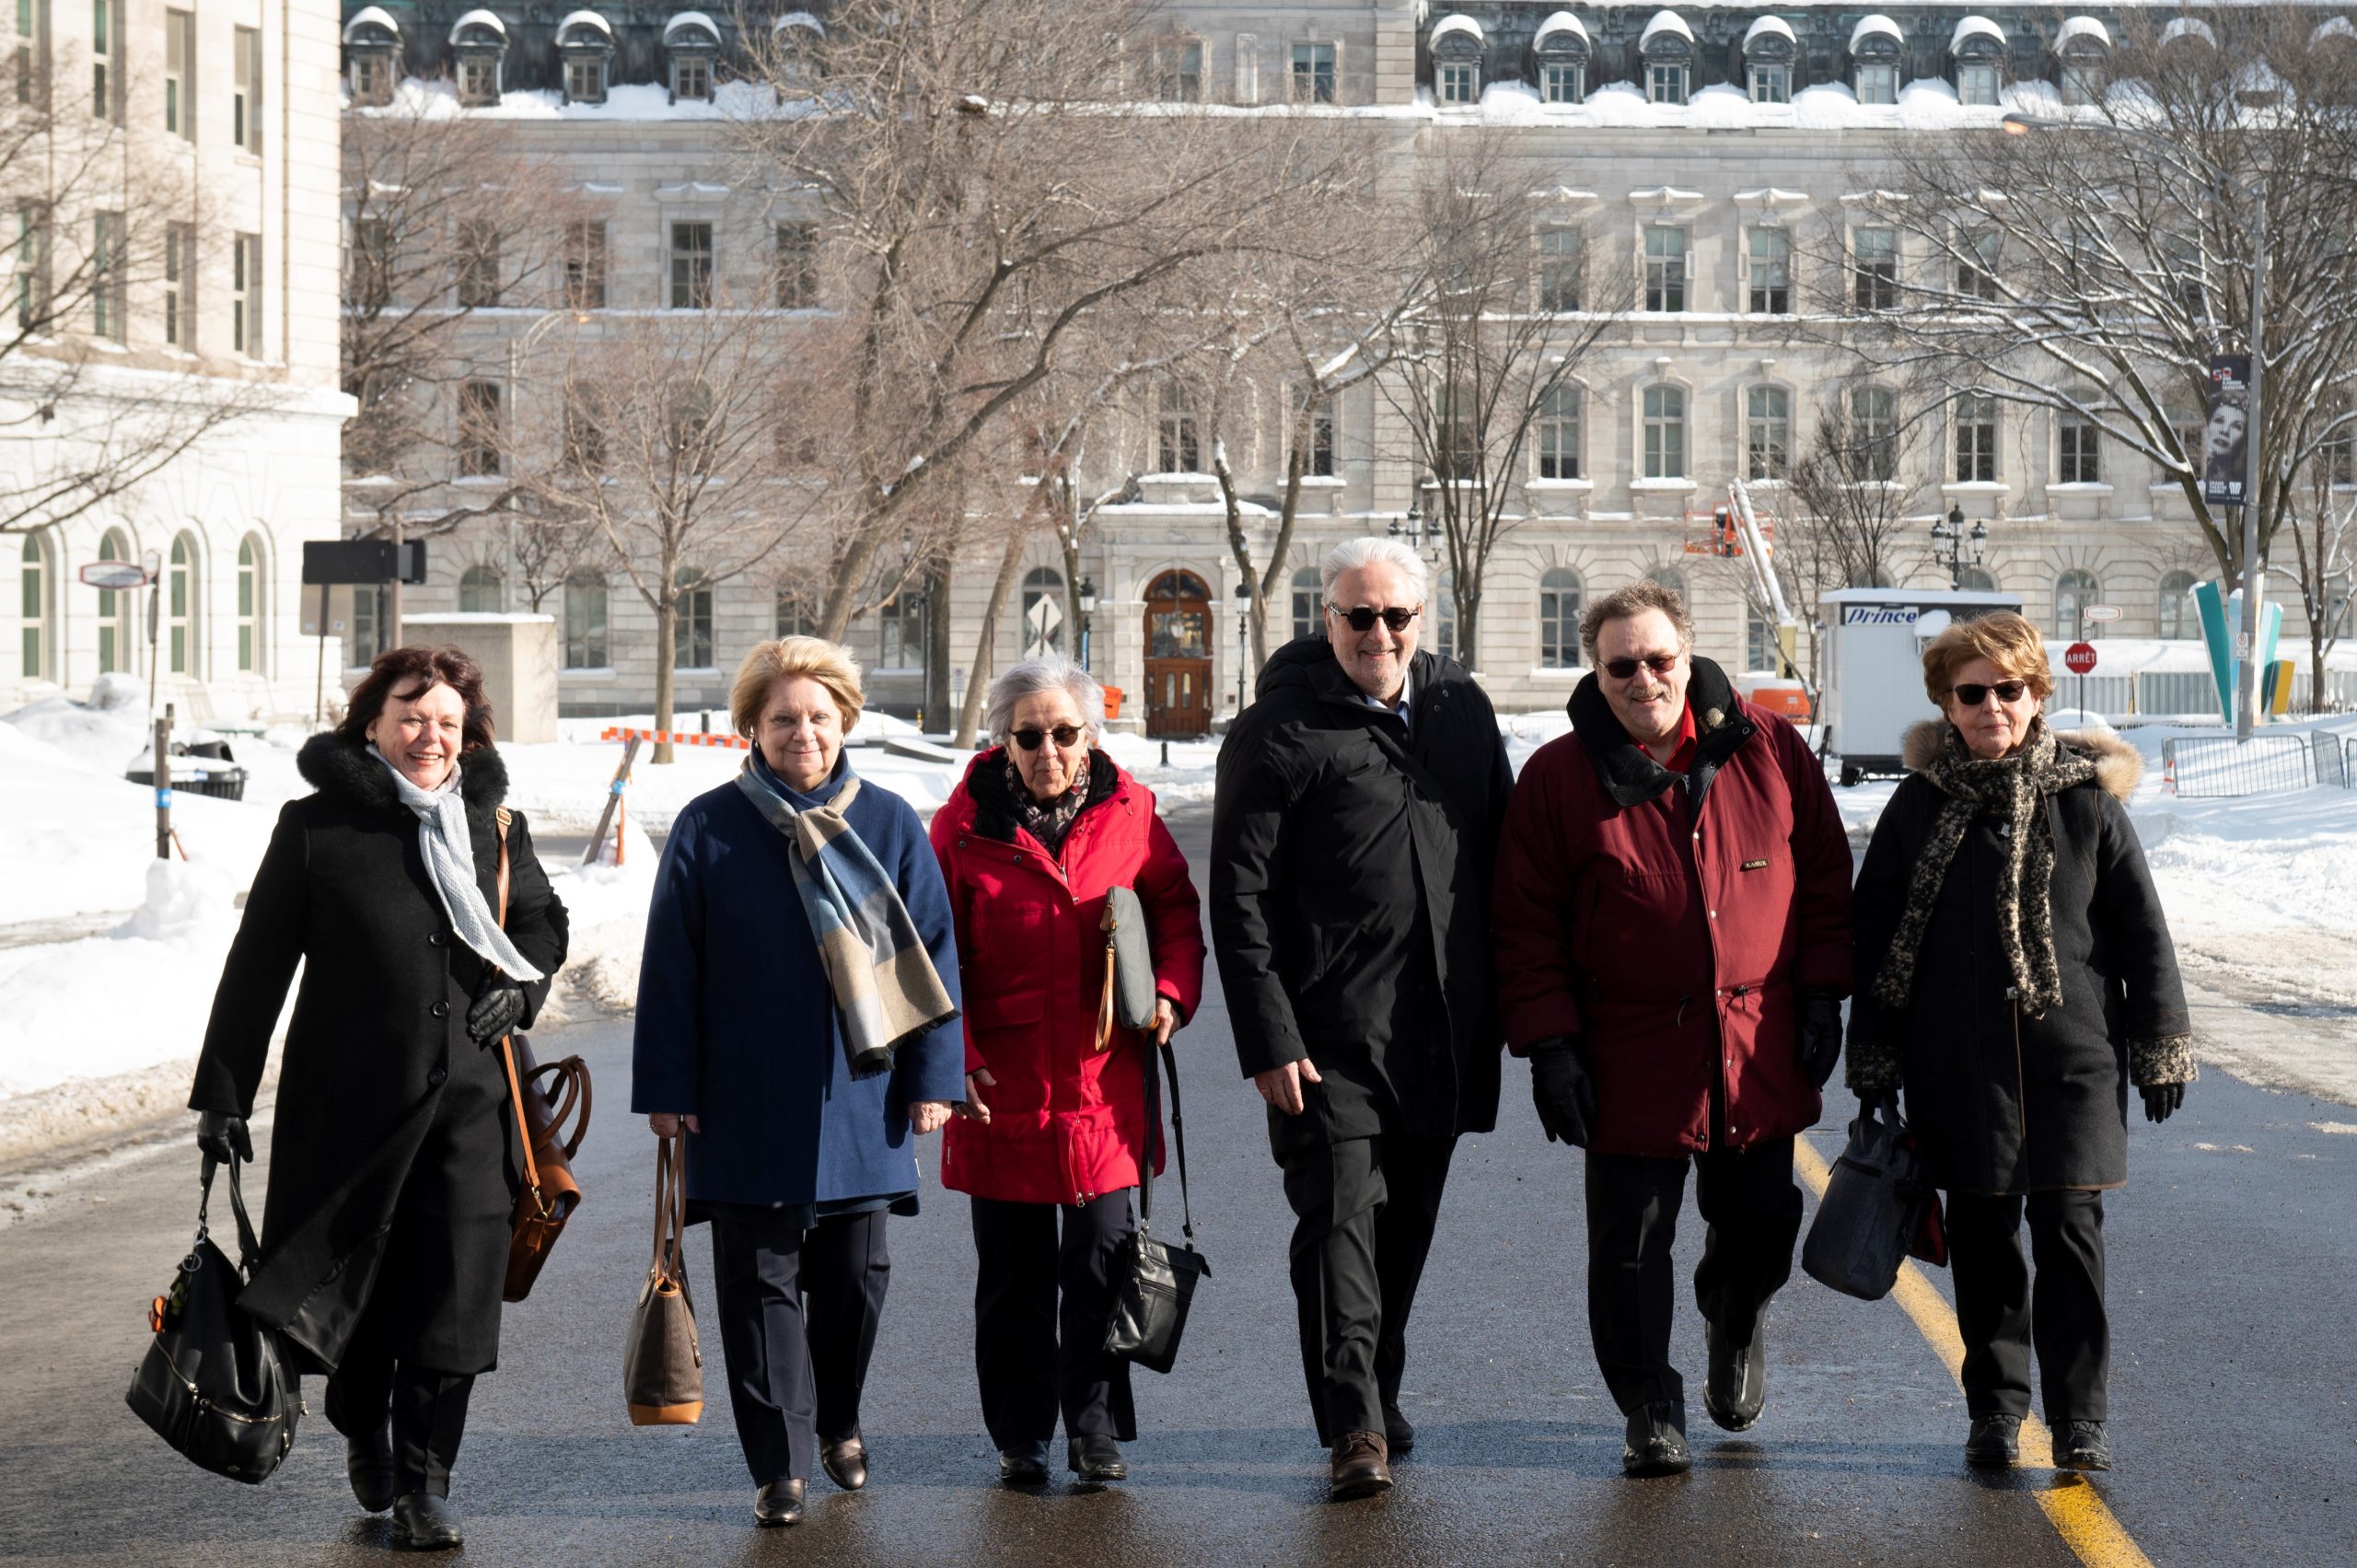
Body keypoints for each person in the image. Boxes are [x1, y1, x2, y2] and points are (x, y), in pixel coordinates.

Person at [190, 645, 570, 1551]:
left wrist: (523, 987)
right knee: (352, 1298)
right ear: (372, 722)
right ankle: (364, 1421)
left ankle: (425, 1484)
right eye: (411, 714)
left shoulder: (493, 825)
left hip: (470, 1113)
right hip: (348, 1112)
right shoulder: (316, 828)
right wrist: (226, 1095)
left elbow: (541, 923)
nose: (429, 734)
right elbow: (257, 969)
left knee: (454, 1298)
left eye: (447, 720)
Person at [1490, 581, 1852, 1479]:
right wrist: (1550, 1047)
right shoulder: (1557, 778)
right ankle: (1648, 1403)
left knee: (1762, 1221)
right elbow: (1523, 926)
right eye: (1622, 664)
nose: (1643, 677)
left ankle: (1734, 1318)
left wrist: (1821, 997)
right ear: (1597, 671)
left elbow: (1824, 885)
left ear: (1687, 656)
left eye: (1658, 659)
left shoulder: (1770, 751)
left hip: (1754, 1044)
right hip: (1626, 1054)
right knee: (1629, 1249)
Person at [1846, 610, 2192, 1474]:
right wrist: (1876, 1057)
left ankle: (2081, 1418)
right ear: (1946, 702)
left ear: (2039, 694)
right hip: (1955, 1065)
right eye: (1974, 692)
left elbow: (2142, 935)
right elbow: (1878, 939)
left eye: (2011, 688)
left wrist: (2160, 1043)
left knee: (2072, 1236)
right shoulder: (1917, 805)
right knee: (1985, 1241)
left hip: (2073, 1060)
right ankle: (1996, 1410)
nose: (1993, 705)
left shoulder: (2086, 803)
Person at [633, 637, 964, 1527]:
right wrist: (669, 1086)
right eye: (782, 718)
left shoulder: (890, 821)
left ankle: (839, 1415)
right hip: (742, 1101)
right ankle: (779, 1463)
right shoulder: (709, 826)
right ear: (753, 726)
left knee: (856, 1280)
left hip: (865, 1097)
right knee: (757, 1287)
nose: (802, 734)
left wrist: (936, 1076)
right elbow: (671, 968)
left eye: (818, 717)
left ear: (845, 721)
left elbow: (932, 951)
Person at [1210, 536, 1515, 1500]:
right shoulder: (1278, 729)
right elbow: (1239, 897)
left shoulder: (1461, 712)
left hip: (1438, 1029)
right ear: (1326, 618)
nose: (1377, 632)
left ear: (1421, 622)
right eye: (1358, 615)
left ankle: (1376, 1384)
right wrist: (1268, 1037)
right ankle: (1353, 1423)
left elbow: (1504, 855)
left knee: (1405, 1228)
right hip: (1324, 1037)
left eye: (1396, 616)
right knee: (1338, 1223)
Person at [930, 658, 1207, 1489]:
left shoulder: (1132, 811)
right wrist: (958, 1054)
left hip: (1105, 1087)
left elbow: (1174, 910)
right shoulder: (960, 829)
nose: (1047, 748)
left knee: (1100, 1262)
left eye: (1063, 731)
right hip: (1001, 1091)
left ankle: (1093, 1429)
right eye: (1028, 734)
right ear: (1001, 741)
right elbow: (930, 955)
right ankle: (1020, 1434)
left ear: (1090, 734)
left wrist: (1169, 991)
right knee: (1013, 1279)